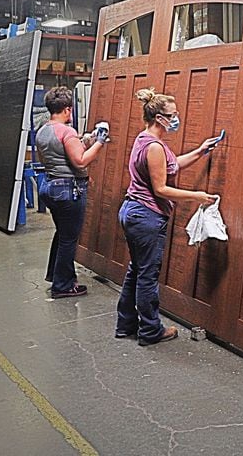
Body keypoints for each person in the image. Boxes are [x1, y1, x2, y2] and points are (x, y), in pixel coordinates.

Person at [116, 88, 219, 346]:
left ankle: (126, 324)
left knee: (137, 270)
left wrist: (200, 151)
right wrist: (197, 196)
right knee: (147, 275)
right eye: (172, 115)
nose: (176, 119)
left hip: (133, 211)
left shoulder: (146, 140)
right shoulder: (154, 147)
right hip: (146, 217)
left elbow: (171, 165)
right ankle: (150, 331)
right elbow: (161, 188)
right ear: (160, 118)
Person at [36, 86, 108, 299]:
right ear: (68, 110)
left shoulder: (43, 130)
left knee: (62, 234)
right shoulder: (66, 131)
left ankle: (56, 276)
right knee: (69, 239)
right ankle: (63, 286)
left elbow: (53, 156)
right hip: (68, 190)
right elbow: (80, 160)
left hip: (50, 186)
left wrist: (84, 141)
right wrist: (101, 142)